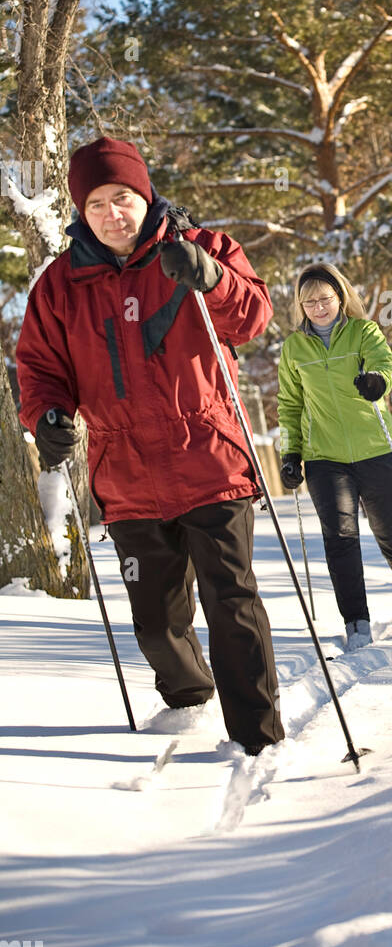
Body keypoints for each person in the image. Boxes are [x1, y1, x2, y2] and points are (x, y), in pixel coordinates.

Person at [16, 136, 284, 756]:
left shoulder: (202, 249)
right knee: (157, 623)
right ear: (81, 211)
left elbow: (253, 319)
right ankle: (190, 702)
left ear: (145, 195)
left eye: (124, 198)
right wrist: (48, 415)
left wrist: (212, 279)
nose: (114, 213)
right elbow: (39, 367)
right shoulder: (59, 286)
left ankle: (259, 739)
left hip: (211, 458)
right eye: (99, 204)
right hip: (126, 473)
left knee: (232, 605)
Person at [277, 262, 392, 651]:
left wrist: (378, 382)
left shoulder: (363, 331)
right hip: (324, 457)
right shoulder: (294, 348)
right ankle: (357, 626)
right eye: (309, 301)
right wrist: (290, 452)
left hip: (376, 449)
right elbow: (288, 404)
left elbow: (384, 364)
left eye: (326, 299)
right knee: (340, 540)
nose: (318, 307)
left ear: (341, 297)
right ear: (300, 306)